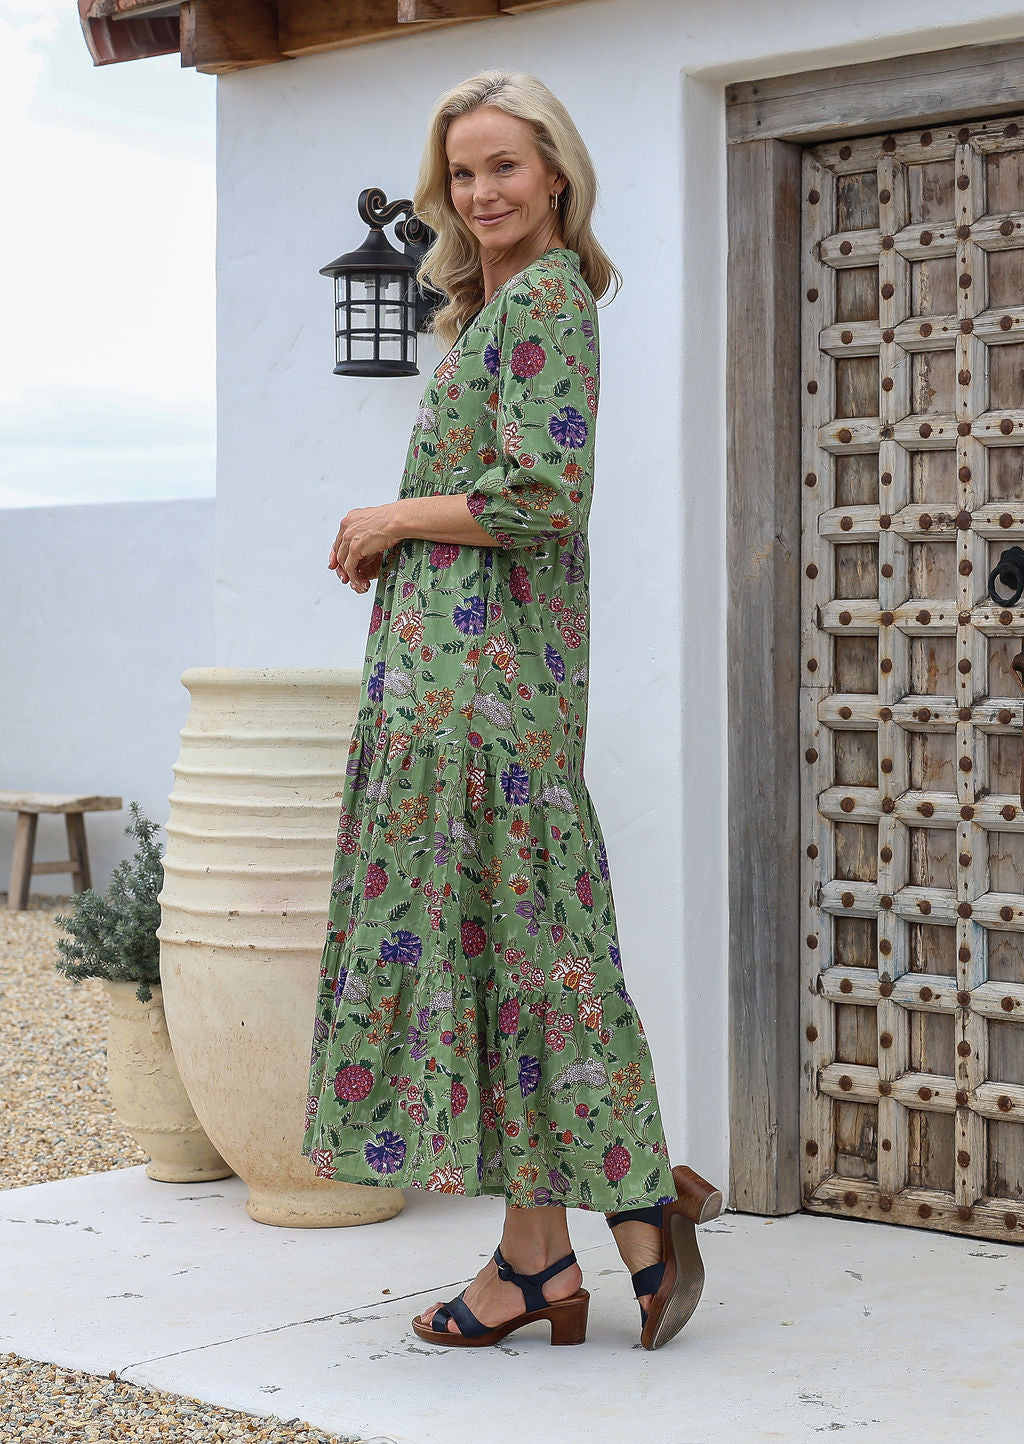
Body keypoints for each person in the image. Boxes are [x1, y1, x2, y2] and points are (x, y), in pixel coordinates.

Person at [300, 69, 722, 1351]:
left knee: (526, 947)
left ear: (555, 175)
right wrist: (406, 543)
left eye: (502, 166)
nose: (480, 193)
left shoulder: (545, 300)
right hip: (457, 684)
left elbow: (542, 498)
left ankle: (636, 1190)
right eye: (461, 175)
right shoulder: (500, 310)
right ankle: (541, 1257)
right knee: (505, 952)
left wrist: (389, 515)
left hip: (485, 696)